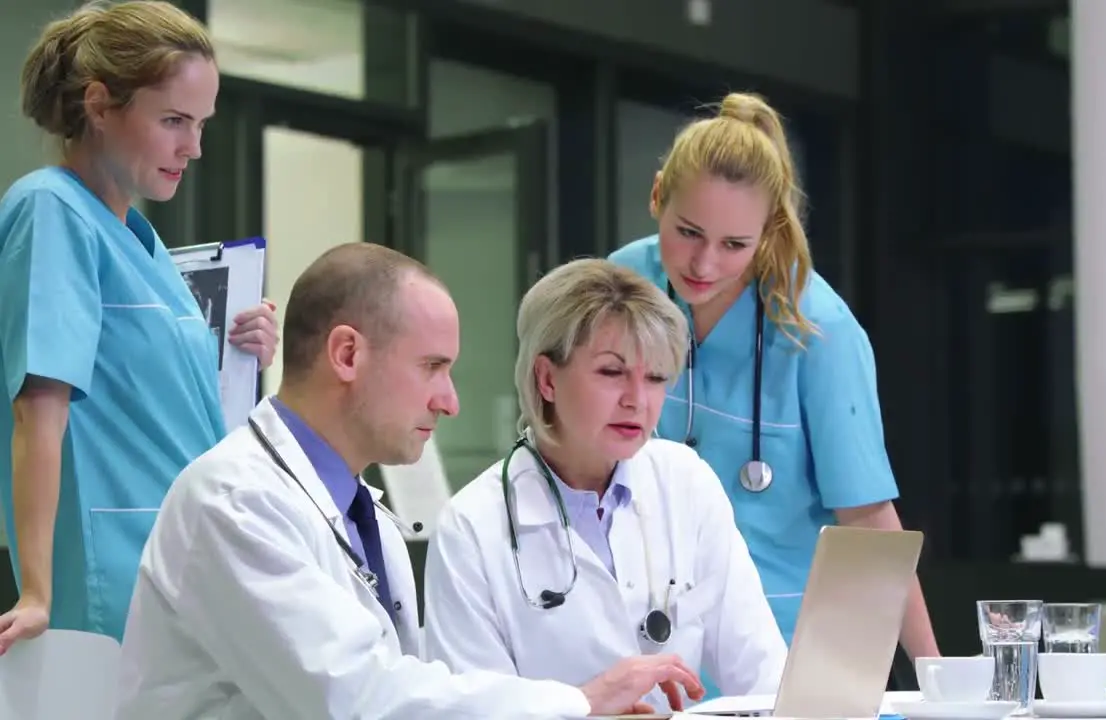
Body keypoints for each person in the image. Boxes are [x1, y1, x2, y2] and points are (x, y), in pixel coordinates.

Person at [115, 243, 704, 719]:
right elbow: (357, 701)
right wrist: (578, 700)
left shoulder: (367, 518)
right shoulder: (234, 501)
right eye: (432, 368)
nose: (449, 401)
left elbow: (412, 697)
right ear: (347, 354)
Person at [609, 92, 939, 660]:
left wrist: (936, 678)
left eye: (735, 245)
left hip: (779, 655)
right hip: (636, 648)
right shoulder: (620, 287)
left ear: (769, 231)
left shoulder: (819, 330)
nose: (704, 264)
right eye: (687, 232)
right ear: (657, 193)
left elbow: (867, 516)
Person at [0, 0, 278, 651]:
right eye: (174, 121)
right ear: (100, 107)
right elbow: (39, 406)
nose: (194, 147)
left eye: (201, 124)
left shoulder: (142, 240)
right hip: (109, 577)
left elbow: (157, 407)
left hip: (180, 567)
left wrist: (243, 358)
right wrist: (36, 590)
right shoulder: (51, 210)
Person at [422, 259, 786, 712]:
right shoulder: (472, 527)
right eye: (612, 373)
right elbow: (469, 715)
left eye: (655, 378)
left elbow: (764, 673)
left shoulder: (686, 482)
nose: (637, 399)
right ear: (547, 378)